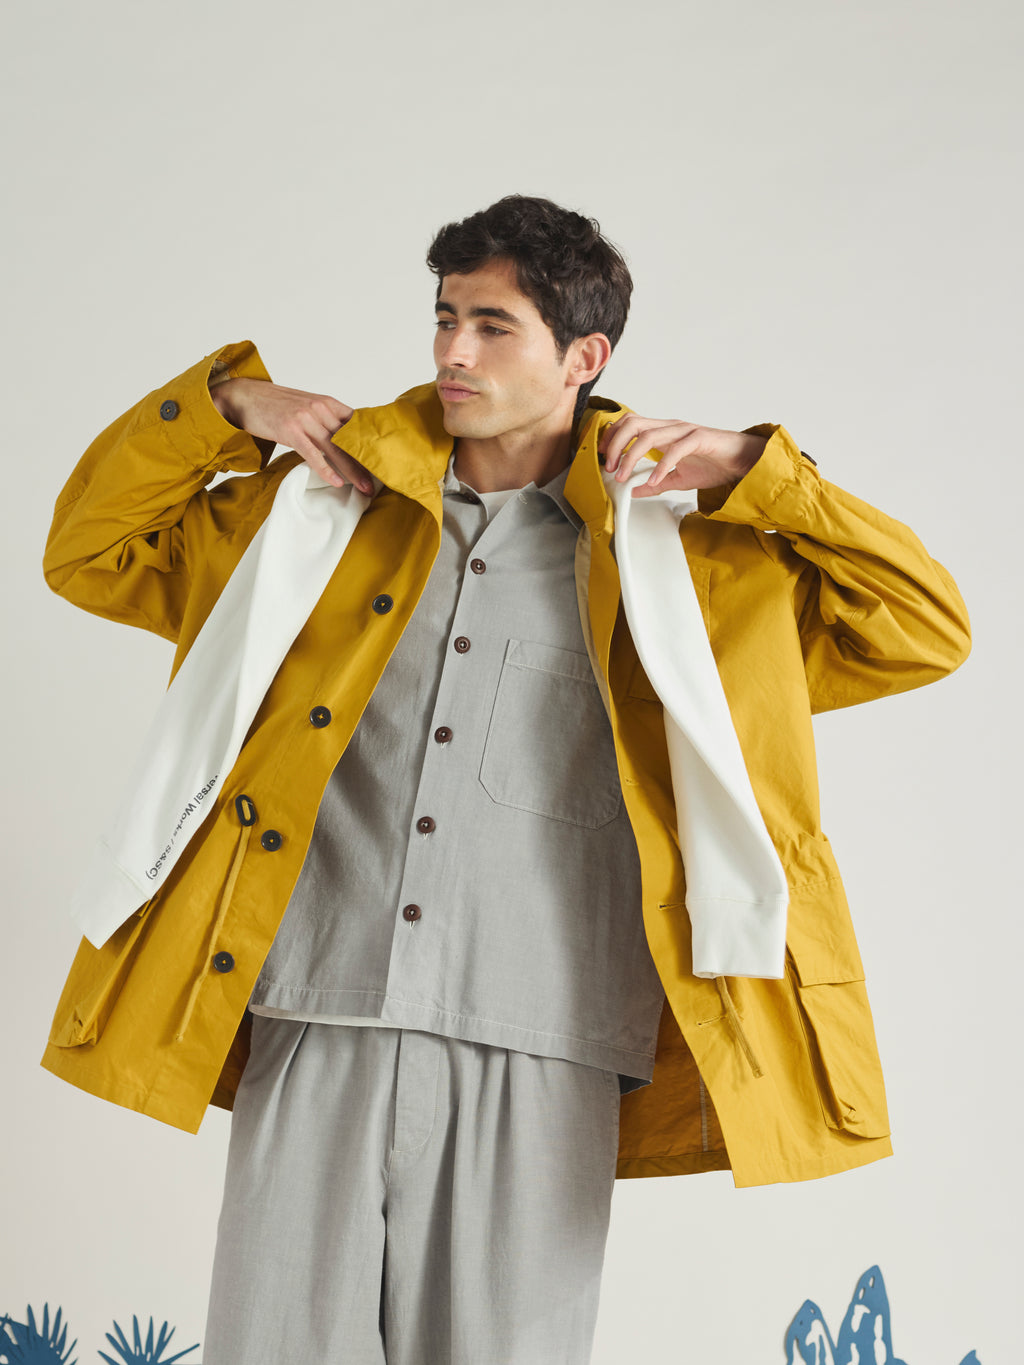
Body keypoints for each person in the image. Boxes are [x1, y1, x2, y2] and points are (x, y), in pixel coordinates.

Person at [40, 195, 971, 1365]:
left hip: (552, 1041)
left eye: (492, 327)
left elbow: (923, 628)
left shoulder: (695, 573)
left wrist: (751, 468)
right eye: (444, 319)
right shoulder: (311, 522)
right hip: (319, 1012)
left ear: (584, 358)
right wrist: (230, 407)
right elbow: (90, 548)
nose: (452, 353)